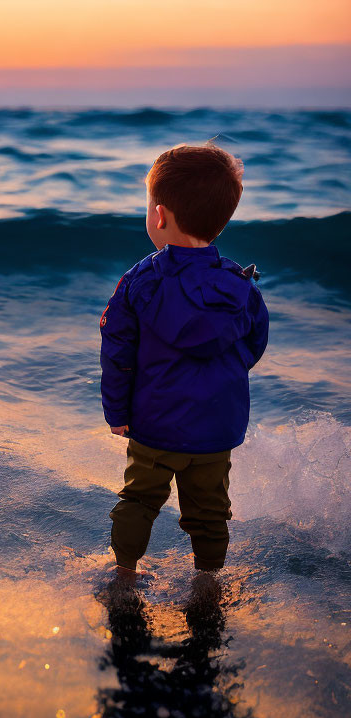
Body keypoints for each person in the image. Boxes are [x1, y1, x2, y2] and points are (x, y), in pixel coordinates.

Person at [99, 143, 269, 576]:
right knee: (211, 510)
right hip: (217, 425)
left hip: (154, 424)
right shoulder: (241, 286)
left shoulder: (140, 281)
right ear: (223, 218)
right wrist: (219, 381)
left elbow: (118, 352)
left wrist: (118, 412)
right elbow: (252, 345)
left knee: (138, 500)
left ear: (159, 215)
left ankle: (124, 573)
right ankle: (208, 580)